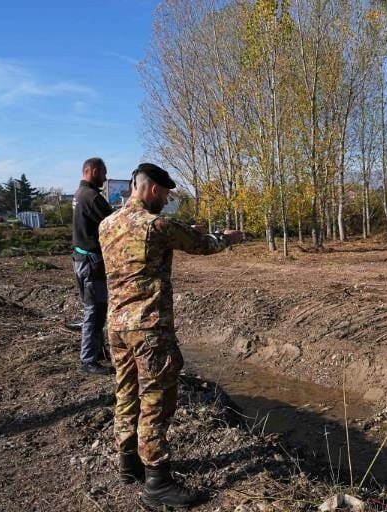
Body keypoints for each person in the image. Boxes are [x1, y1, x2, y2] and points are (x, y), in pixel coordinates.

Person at [99, 163, 242, 508]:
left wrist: (184, 230)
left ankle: (127, 462)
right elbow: (202, 244)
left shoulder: (106, 224)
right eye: (164, 194)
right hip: (149, 328)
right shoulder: (157, 225)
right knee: (156, 400)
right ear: (150, 190)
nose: (166, 200)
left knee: (126, 390)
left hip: (116, 326)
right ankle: (158, 482)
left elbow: (160, 240)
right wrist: (227, 238)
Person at [72, 157, 113, 375]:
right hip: (91, 264)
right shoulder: (92, 197)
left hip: (82, 261)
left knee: (97, 308)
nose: (105, 178)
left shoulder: (79, 195)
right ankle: (88, 360)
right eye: (104, 173)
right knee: (95, 310)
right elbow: (115, 224)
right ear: (93, 170)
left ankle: (96, 352)